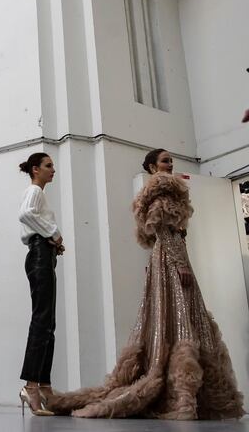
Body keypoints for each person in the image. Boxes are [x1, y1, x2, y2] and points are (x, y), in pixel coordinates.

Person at [47, 149, 244, 420]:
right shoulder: (163, 192)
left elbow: (153, 235)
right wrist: (180, 264)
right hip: (172, 259)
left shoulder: (152, 194)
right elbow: (165, 232)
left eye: (171, 160)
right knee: (183, 318)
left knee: (172, 318)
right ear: (152, 167)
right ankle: (179, 392)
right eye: (164, 161)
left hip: (162, 260)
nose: (170, 164)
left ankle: (182, 388)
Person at [16, 152, 63, 416]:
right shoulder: (35, 190)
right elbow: (25, 214)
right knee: (42, 320)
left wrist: (54, 241)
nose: (52, 169)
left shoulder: (39, 192)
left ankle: (43, 384)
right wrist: (54, 234)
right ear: (36, 169)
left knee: (48, 323)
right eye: (48, 166)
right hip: (39, 255)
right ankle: (31, 386)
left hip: (44, 254)